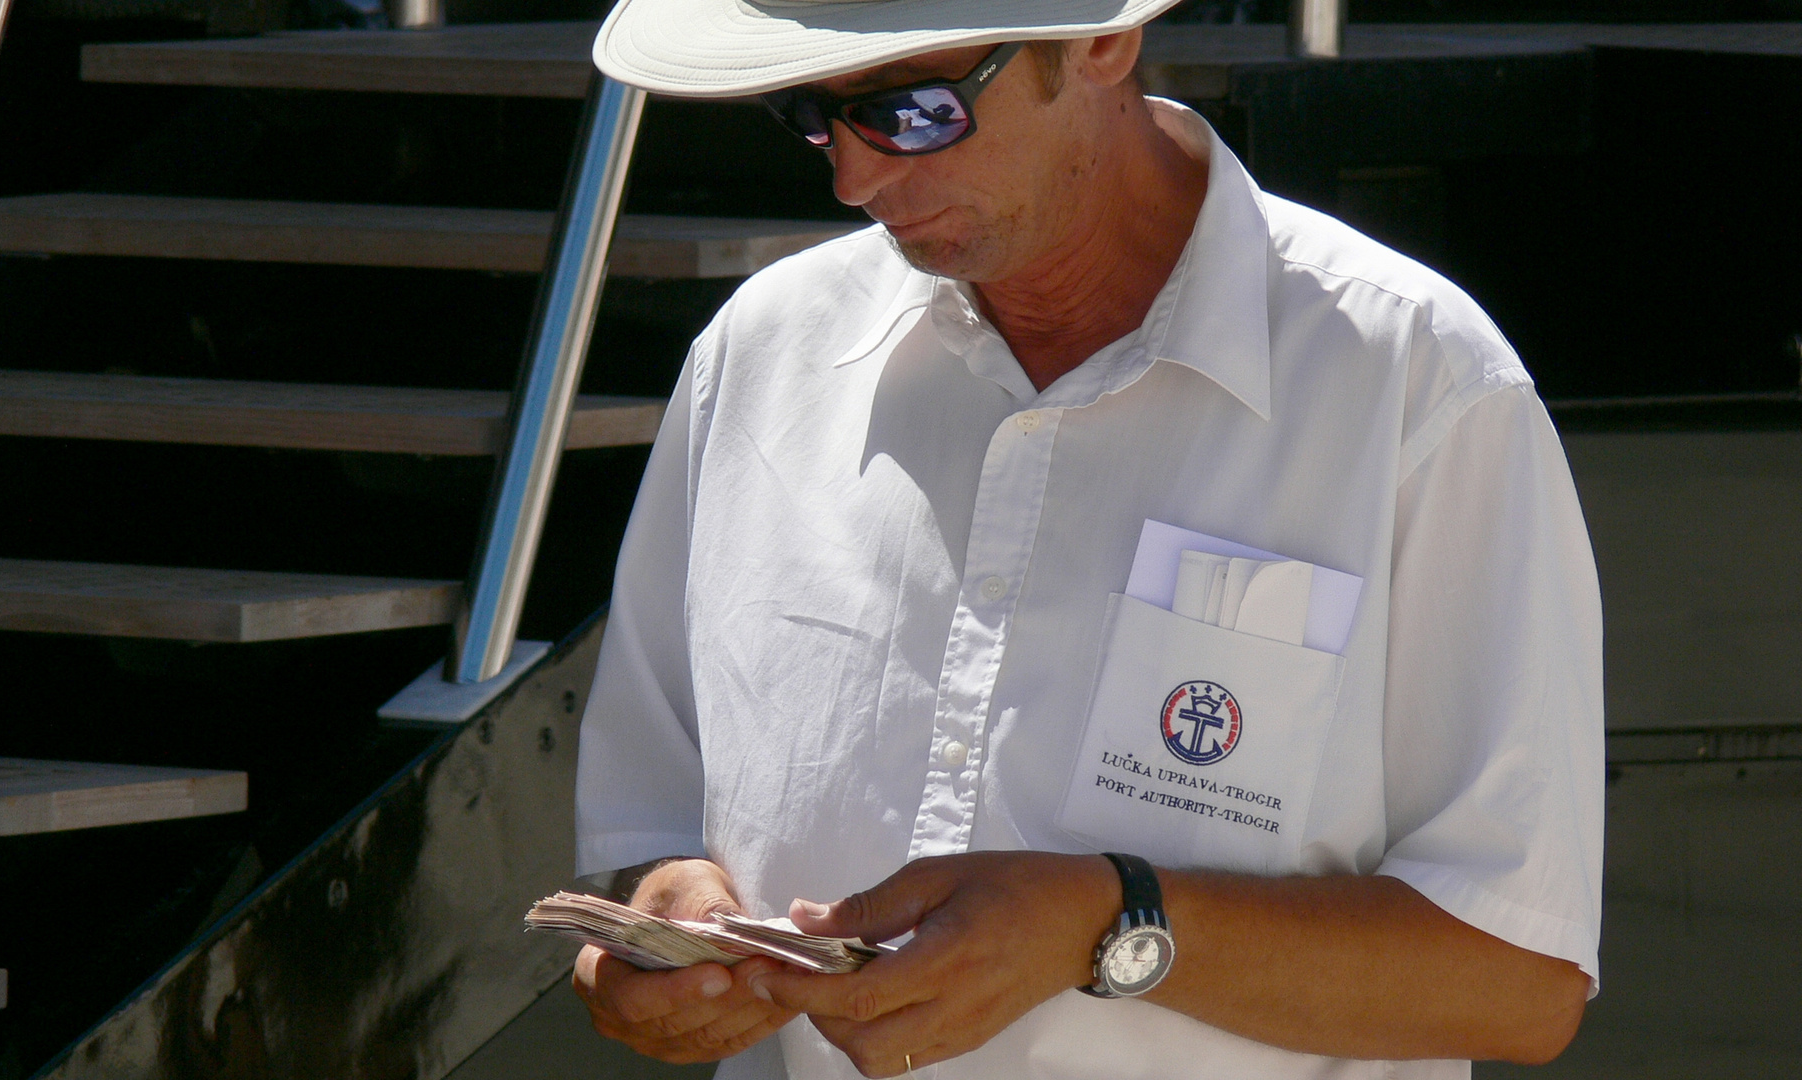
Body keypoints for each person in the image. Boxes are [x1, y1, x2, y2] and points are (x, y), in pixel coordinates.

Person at [570, 3, 1605, 1079]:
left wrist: (1110, 929)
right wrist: (658, 929)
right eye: (814, 115)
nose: (855, 182)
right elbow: (644, 830)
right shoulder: (762, 354)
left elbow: (1521, 979)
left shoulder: (1413, 383)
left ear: (1103, 43)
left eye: (915, 112)